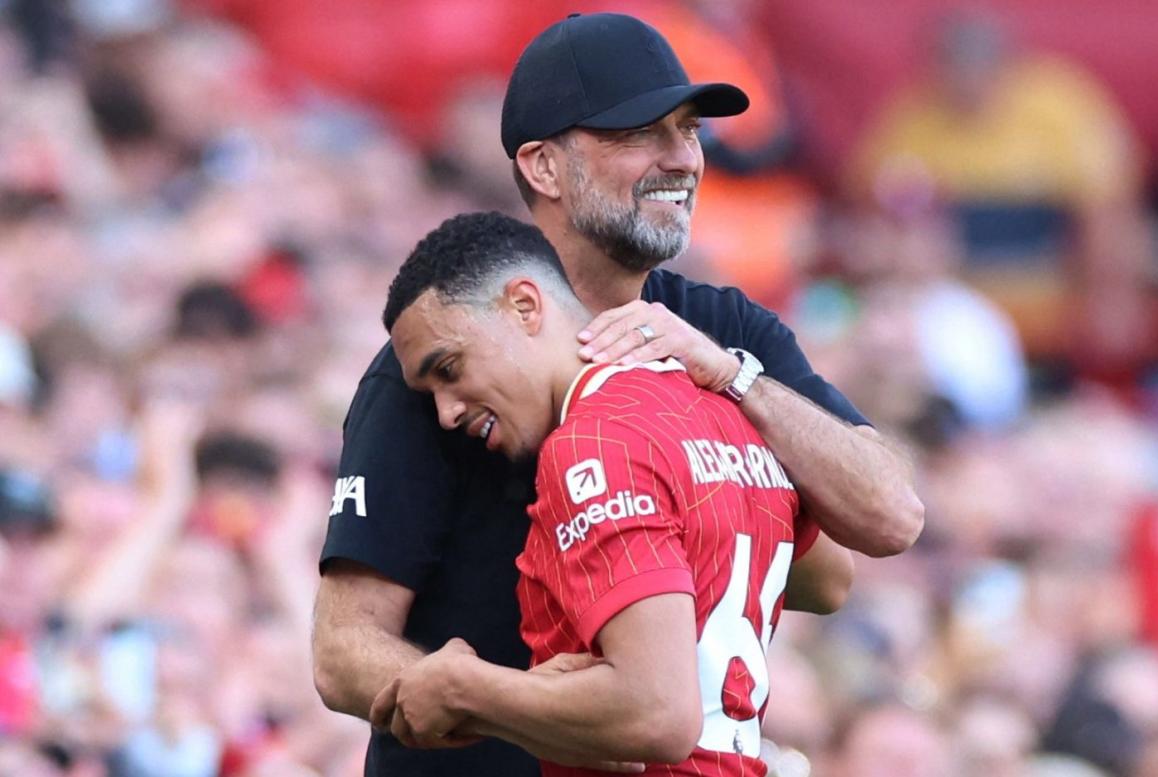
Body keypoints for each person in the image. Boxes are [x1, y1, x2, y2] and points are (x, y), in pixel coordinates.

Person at [312, 12, 923, 777]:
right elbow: (344, 651)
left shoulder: (729, 334)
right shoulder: (446, 363)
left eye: (688, 129)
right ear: (543, 166)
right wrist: (470, 696)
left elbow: (861, 543)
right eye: (639, 134)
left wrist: (734, 383)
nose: (684, 159)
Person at [368, 211, 848, 774]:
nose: (446, 413)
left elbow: (658, 715)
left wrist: (468, 688)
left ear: (524, 306)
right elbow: (833, 574)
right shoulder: (720, 411)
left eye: (449, 369)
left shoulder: (594, 442)